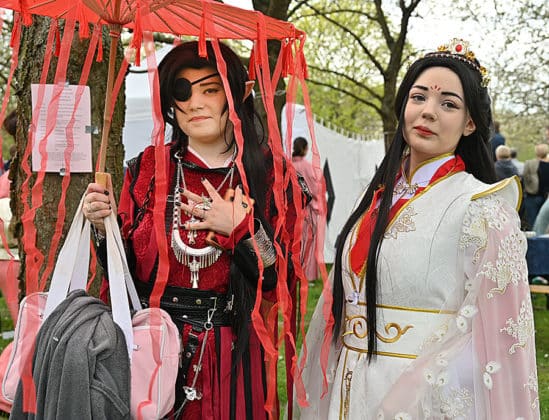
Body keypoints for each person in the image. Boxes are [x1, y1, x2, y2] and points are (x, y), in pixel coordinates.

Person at [298, 38, 539, 419]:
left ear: (470, 122)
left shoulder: (482, 208)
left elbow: (500, 338)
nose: (428, 112)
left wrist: (412, 398)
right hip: (348, 385)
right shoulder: (374, 197)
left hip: (418, 399)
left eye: (448, 104)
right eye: (418, 97)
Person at [83, 41, 300, 419]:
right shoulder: (149, 169)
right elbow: (126, 275)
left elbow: (280, 279)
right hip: (155, 351)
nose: (196, 103)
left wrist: (241, 231)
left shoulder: (271, 174)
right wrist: (104, 229)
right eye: (183, 92)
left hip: (232, 354)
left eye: (211, 89)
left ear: (239, 93)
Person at [291, 137, 322, 282]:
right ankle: (306, 275)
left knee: (294, 242)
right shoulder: (308, 167)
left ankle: (293, 273)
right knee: (308, 242)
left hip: (291, 211)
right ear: (304, 148)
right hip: (307, 210)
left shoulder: (288, 165)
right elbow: (315, 188)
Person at [522, 143, 549, 229]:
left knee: (532, 222)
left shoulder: (529, 163)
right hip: (546, 197)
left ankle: (534, 241)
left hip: (532, 196)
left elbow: (525, 177)